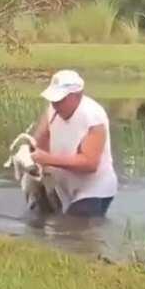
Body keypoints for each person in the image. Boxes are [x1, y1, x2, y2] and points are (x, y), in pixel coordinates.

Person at [30, 70, 118, 217]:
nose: (55, 104)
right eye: (53, 99)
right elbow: (40, 140)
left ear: (77, 95)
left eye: (60, 100)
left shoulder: (93, 117)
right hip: (64, 188)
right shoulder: (53, 109)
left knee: (74, 233)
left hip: (95, 190)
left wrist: (48, 159)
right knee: (39, 221)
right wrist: (36, 164)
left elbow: (90, 164)